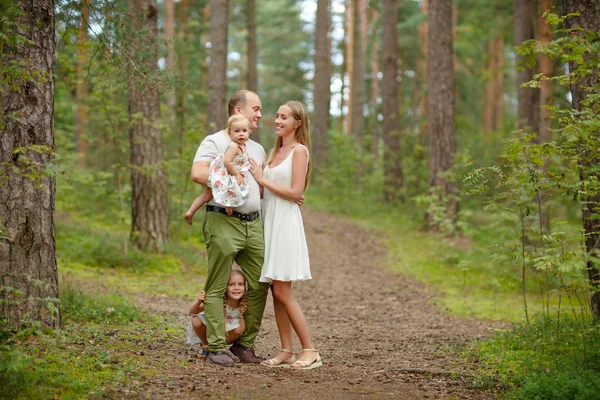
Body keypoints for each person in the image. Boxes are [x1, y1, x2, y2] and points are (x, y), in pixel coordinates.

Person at [191, 90, 270, 367]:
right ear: (238, 110)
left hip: (254, 225)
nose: (260, 114)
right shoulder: (215, 141)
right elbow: (198, 173)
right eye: (256, 109)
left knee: (261, 283)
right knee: (217, 284)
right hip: (222, 220)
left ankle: (244, 345)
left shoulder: (258, 148)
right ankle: (216, 347)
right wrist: (228, 177)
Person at [248, 100, 322, 370]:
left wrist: (262, 179)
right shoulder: (274, 151)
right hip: (268, 220)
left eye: (284, 117)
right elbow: (265, 191)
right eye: (277, 116)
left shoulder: (299, 151)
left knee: (283, 289)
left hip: (285, 224)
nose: (277, 121)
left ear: (297, 123)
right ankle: (286, 350)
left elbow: (295, 193)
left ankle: (310, 349)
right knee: (275, 289)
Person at [185, 115, 252, 225]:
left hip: (227, 171)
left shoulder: (242, 146)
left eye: (244, 131)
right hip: (222, 172)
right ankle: (228, 206)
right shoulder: (234, 146)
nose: (241, 133)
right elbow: (227, 162)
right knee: (229, 186)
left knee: (207, 195)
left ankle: (190, 212)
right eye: (237, 131)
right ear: (230, 133)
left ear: (249, 131)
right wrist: (237, 174)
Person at [185, 270, 249, 359]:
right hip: (211, 329)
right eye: (231, 284)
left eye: (240, 284)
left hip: (229, 332)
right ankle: (206, 345)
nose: (236, 288)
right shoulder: (218, 301)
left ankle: (219, 347)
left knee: (238, 329)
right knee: (196, 319)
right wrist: (199, 301)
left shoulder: (244, 303)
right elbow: (192, 312)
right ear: (224, 287)